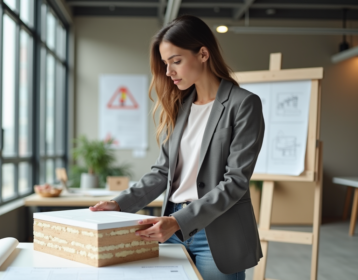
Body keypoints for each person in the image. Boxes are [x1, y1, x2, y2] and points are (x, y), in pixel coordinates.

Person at [90, 15, 264, 280]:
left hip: (217, 234)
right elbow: (161, 172)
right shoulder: (180, 107)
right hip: (170, 229)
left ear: (203, 54)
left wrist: (180, 222)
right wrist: (118, 204)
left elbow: (236, 181)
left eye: (176, 61)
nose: (169, 72)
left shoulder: (244, 104)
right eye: (165, 64)